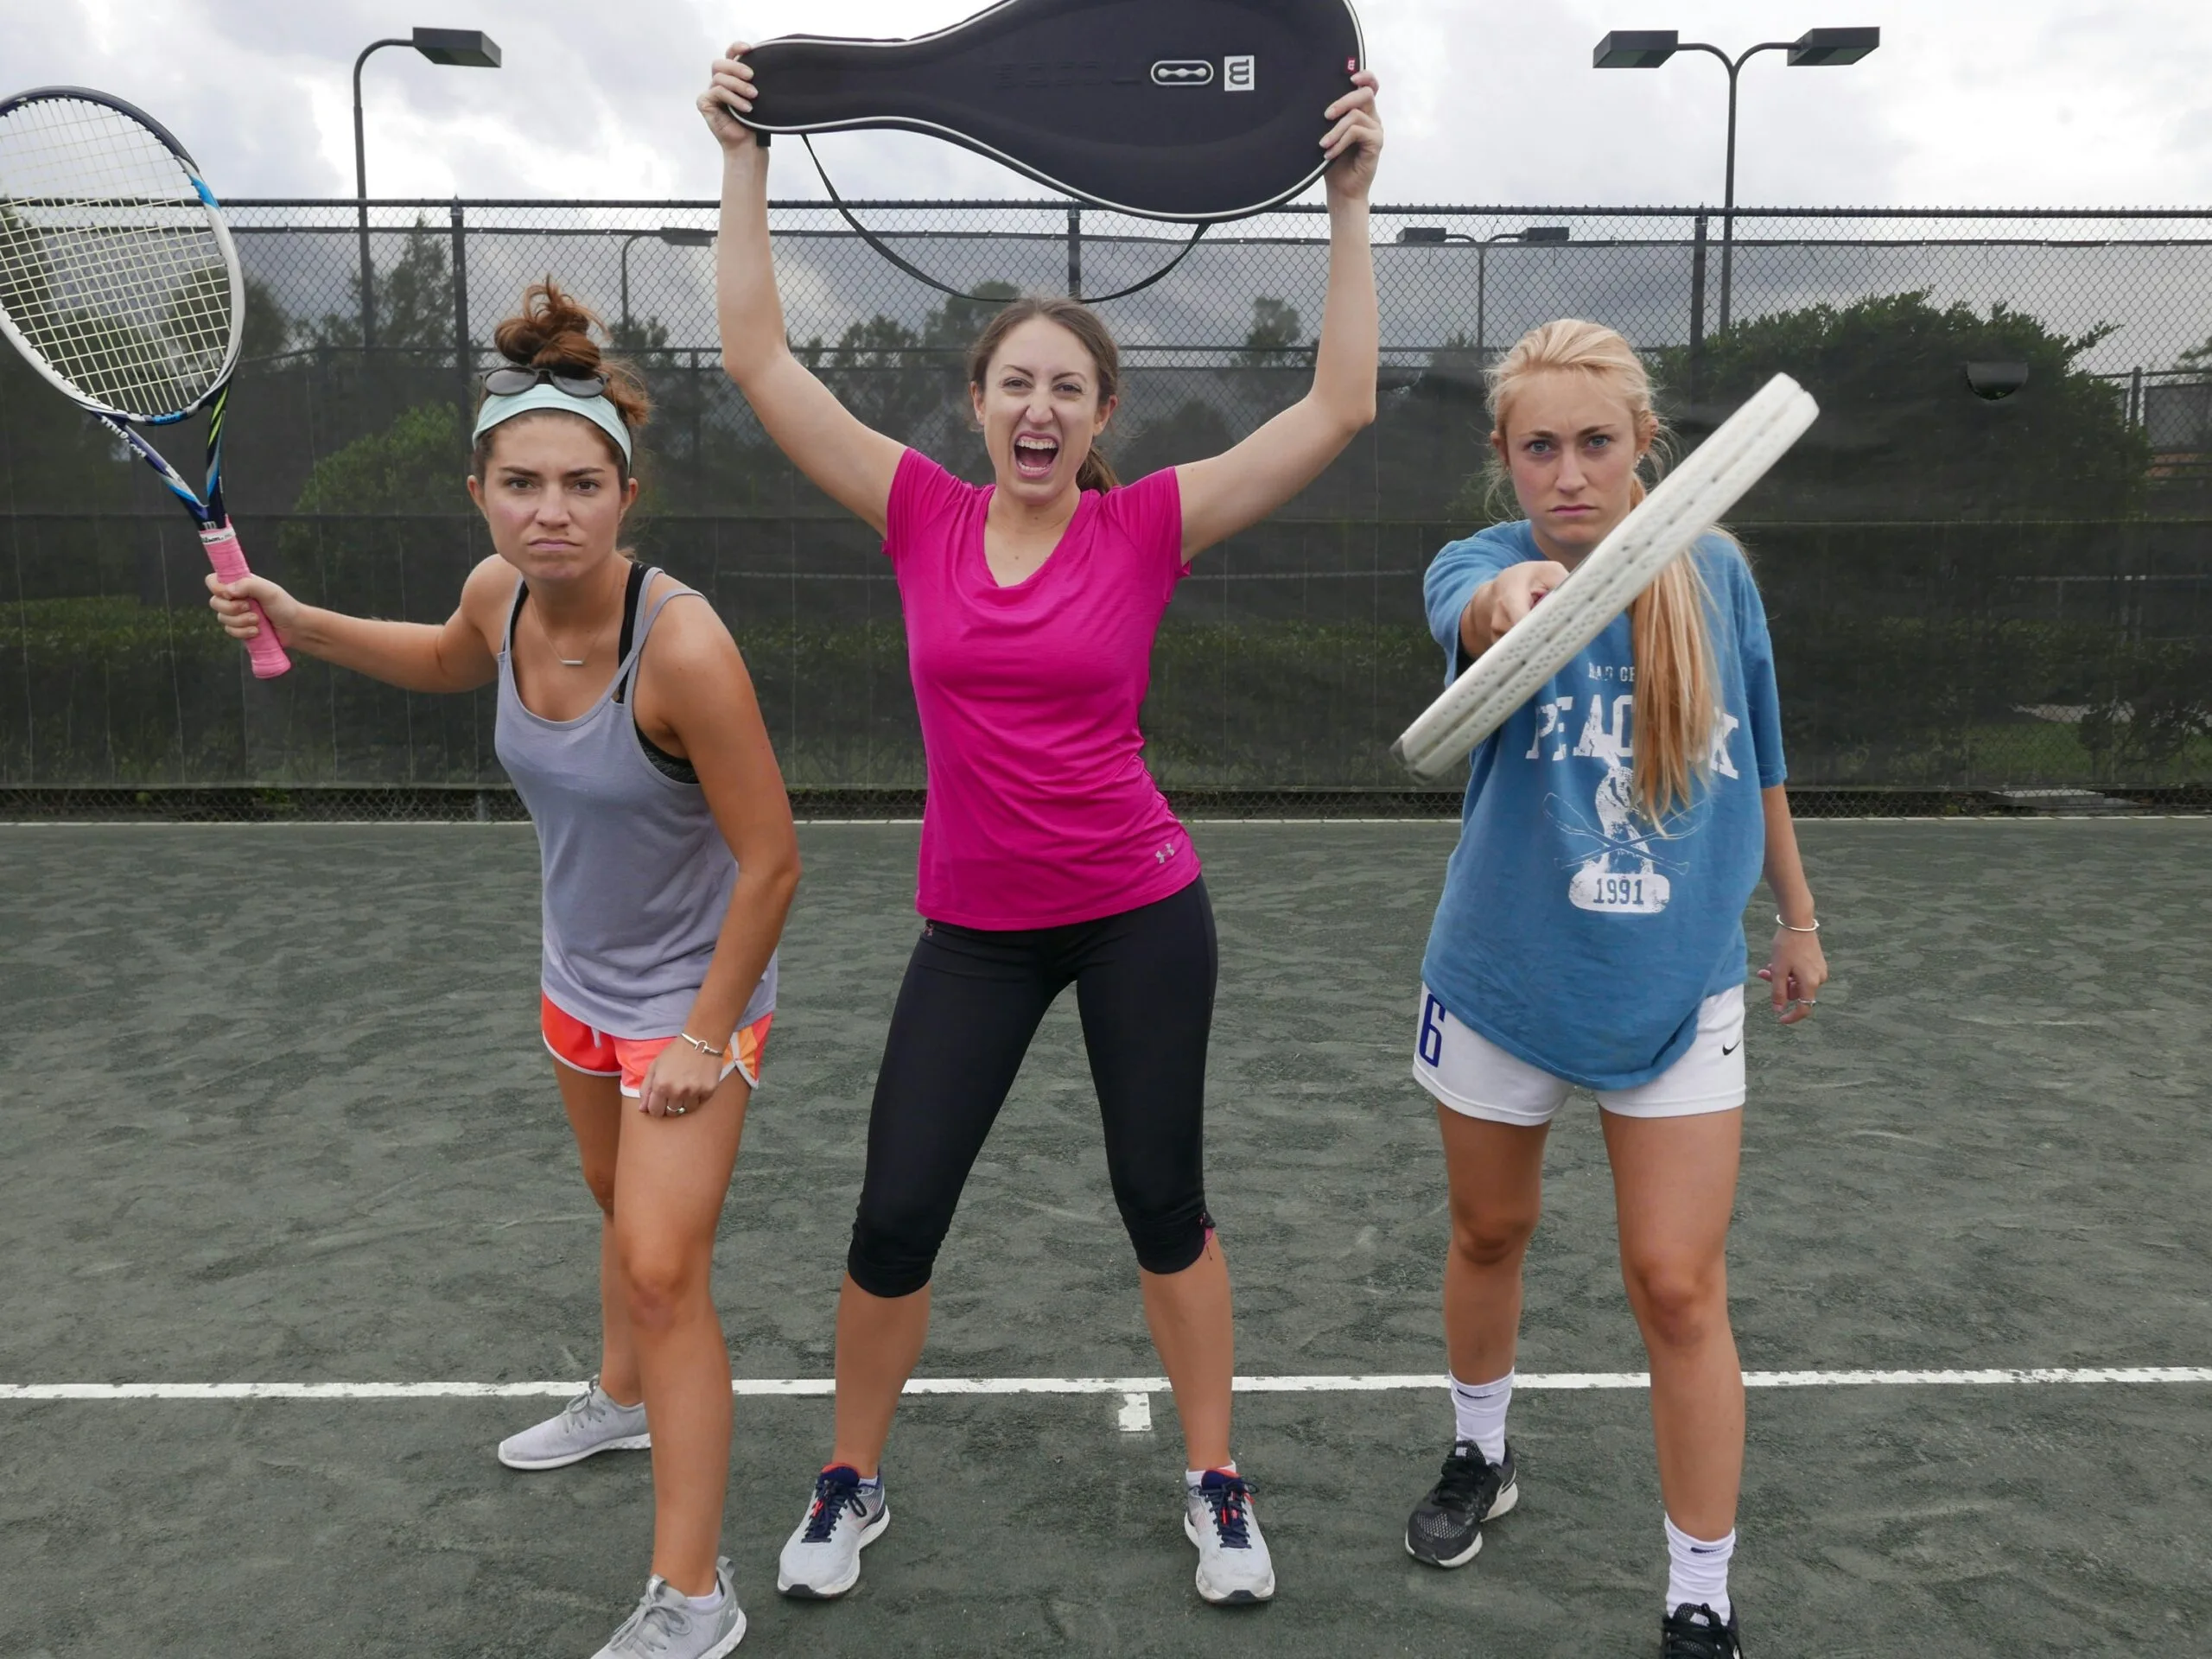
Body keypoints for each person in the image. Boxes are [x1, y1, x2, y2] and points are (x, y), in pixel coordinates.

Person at [697, 40, 1382, 1609]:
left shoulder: (1145, 526)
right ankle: (849, 1478)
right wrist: (750, 159)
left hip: (1142, 909)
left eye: (1070, 387)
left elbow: (1339, 406)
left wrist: (1347, 199)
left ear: (1099, 414)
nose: (1041, 405)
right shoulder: (920, 514)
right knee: (895, 1211)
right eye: (1017, 380)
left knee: (1163, 1201)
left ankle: (1217, 1482)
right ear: (980, 399)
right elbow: (758, 362)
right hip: (975, 935)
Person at [207, 283, 799, 1659]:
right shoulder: (500, 595)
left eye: (580, 485)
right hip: (576, 988)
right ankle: (621, 1394)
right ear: (479, 491)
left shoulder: (687, 647)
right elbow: (439, 654)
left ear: (625, 493)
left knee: (664, 1269)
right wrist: (298, 611)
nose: (551, 511)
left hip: (690, 1010)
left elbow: (771, 863)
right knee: (612, 1206)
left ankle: (694, 1599)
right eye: (521, 483)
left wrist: (709, 1039)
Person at [1398, 319, 1827, 1659]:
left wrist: (1800, 917)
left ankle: (1698, 1589)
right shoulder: (1482, 563)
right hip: (1503, 977)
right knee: (1488, 1234)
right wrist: (1515, 604)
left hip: (1679, 987)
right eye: (1540, 448)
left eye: (1596, 442)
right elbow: (1469, 604)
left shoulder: (1717, 579)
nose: (1569, 473)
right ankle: (1483, 1453)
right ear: (1505, 458)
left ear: (1646, 443)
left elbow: (1757, 763)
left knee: (1678, 1286)